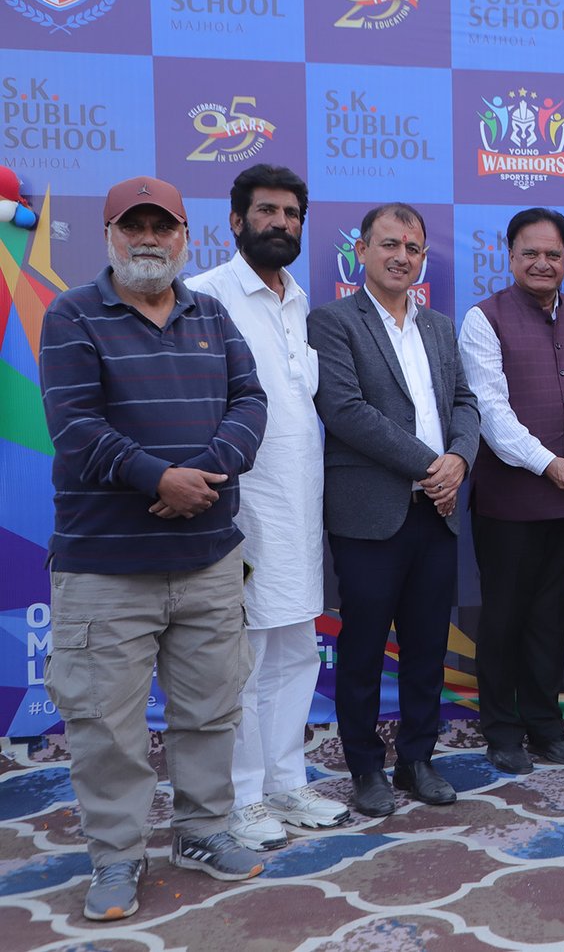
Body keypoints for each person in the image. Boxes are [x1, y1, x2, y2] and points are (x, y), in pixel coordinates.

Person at [40, 176, 269, 920]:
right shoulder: (72, 314)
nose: (148, 239)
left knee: (211, 709)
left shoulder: (213, 314)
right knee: (106, 724)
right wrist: (159, 479)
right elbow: (75, 427)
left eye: (162, 226)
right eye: (132, 226)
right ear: (108, 234)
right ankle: (116, 856)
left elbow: (250, 401)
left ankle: (202, 831)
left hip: (208, 557)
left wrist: (207, 471)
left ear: (185, 236)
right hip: (106, 566)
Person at [187, 165, 351, 852]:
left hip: (299, 505)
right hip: (239, 508)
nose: (280, 223)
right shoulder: (204, 295)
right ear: (235, 221)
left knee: (296, 650)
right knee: (245, 658)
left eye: (291, 214)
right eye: (266, 211)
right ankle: (242, 796)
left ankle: (286, 781)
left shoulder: (299, 301)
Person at [308, 203, 480, 817]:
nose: (401, 257)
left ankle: (417, 759)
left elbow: (465, 403)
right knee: (362, 649)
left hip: (438, 512)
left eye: (412, 247)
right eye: (389, 244)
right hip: (370, 514)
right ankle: (364, 766)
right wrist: (434, 467)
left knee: (428, 647)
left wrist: (459, 460)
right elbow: (346, 411)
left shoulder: (439, 326)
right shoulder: (332, 322)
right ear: (361, 250)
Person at [459, 207, 564, 774]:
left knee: (551, 617)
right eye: (530, 253)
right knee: (503, 617)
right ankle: (501, 730)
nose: (542, 263)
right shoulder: (483, 319)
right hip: (509, 500)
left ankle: (545, 725)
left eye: (553, 254)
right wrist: (548, 463)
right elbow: (490, 412)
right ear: (510, 256)